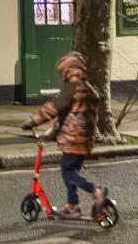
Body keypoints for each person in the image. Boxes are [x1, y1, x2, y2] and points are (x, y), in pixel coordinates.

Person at [29, 51, 108, 220]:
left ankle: (96, 191)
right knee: (70, 172)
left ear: (69, 70)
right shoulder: (88, 88)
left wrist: (33, 121)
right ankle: (72, 207)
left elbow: (54, 107)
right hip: (85, 140)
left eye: (63, 71)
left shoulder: (72, 87)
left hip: (73, 139)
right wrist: (54, 131)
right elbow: (68, 114)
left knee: (68, 172)